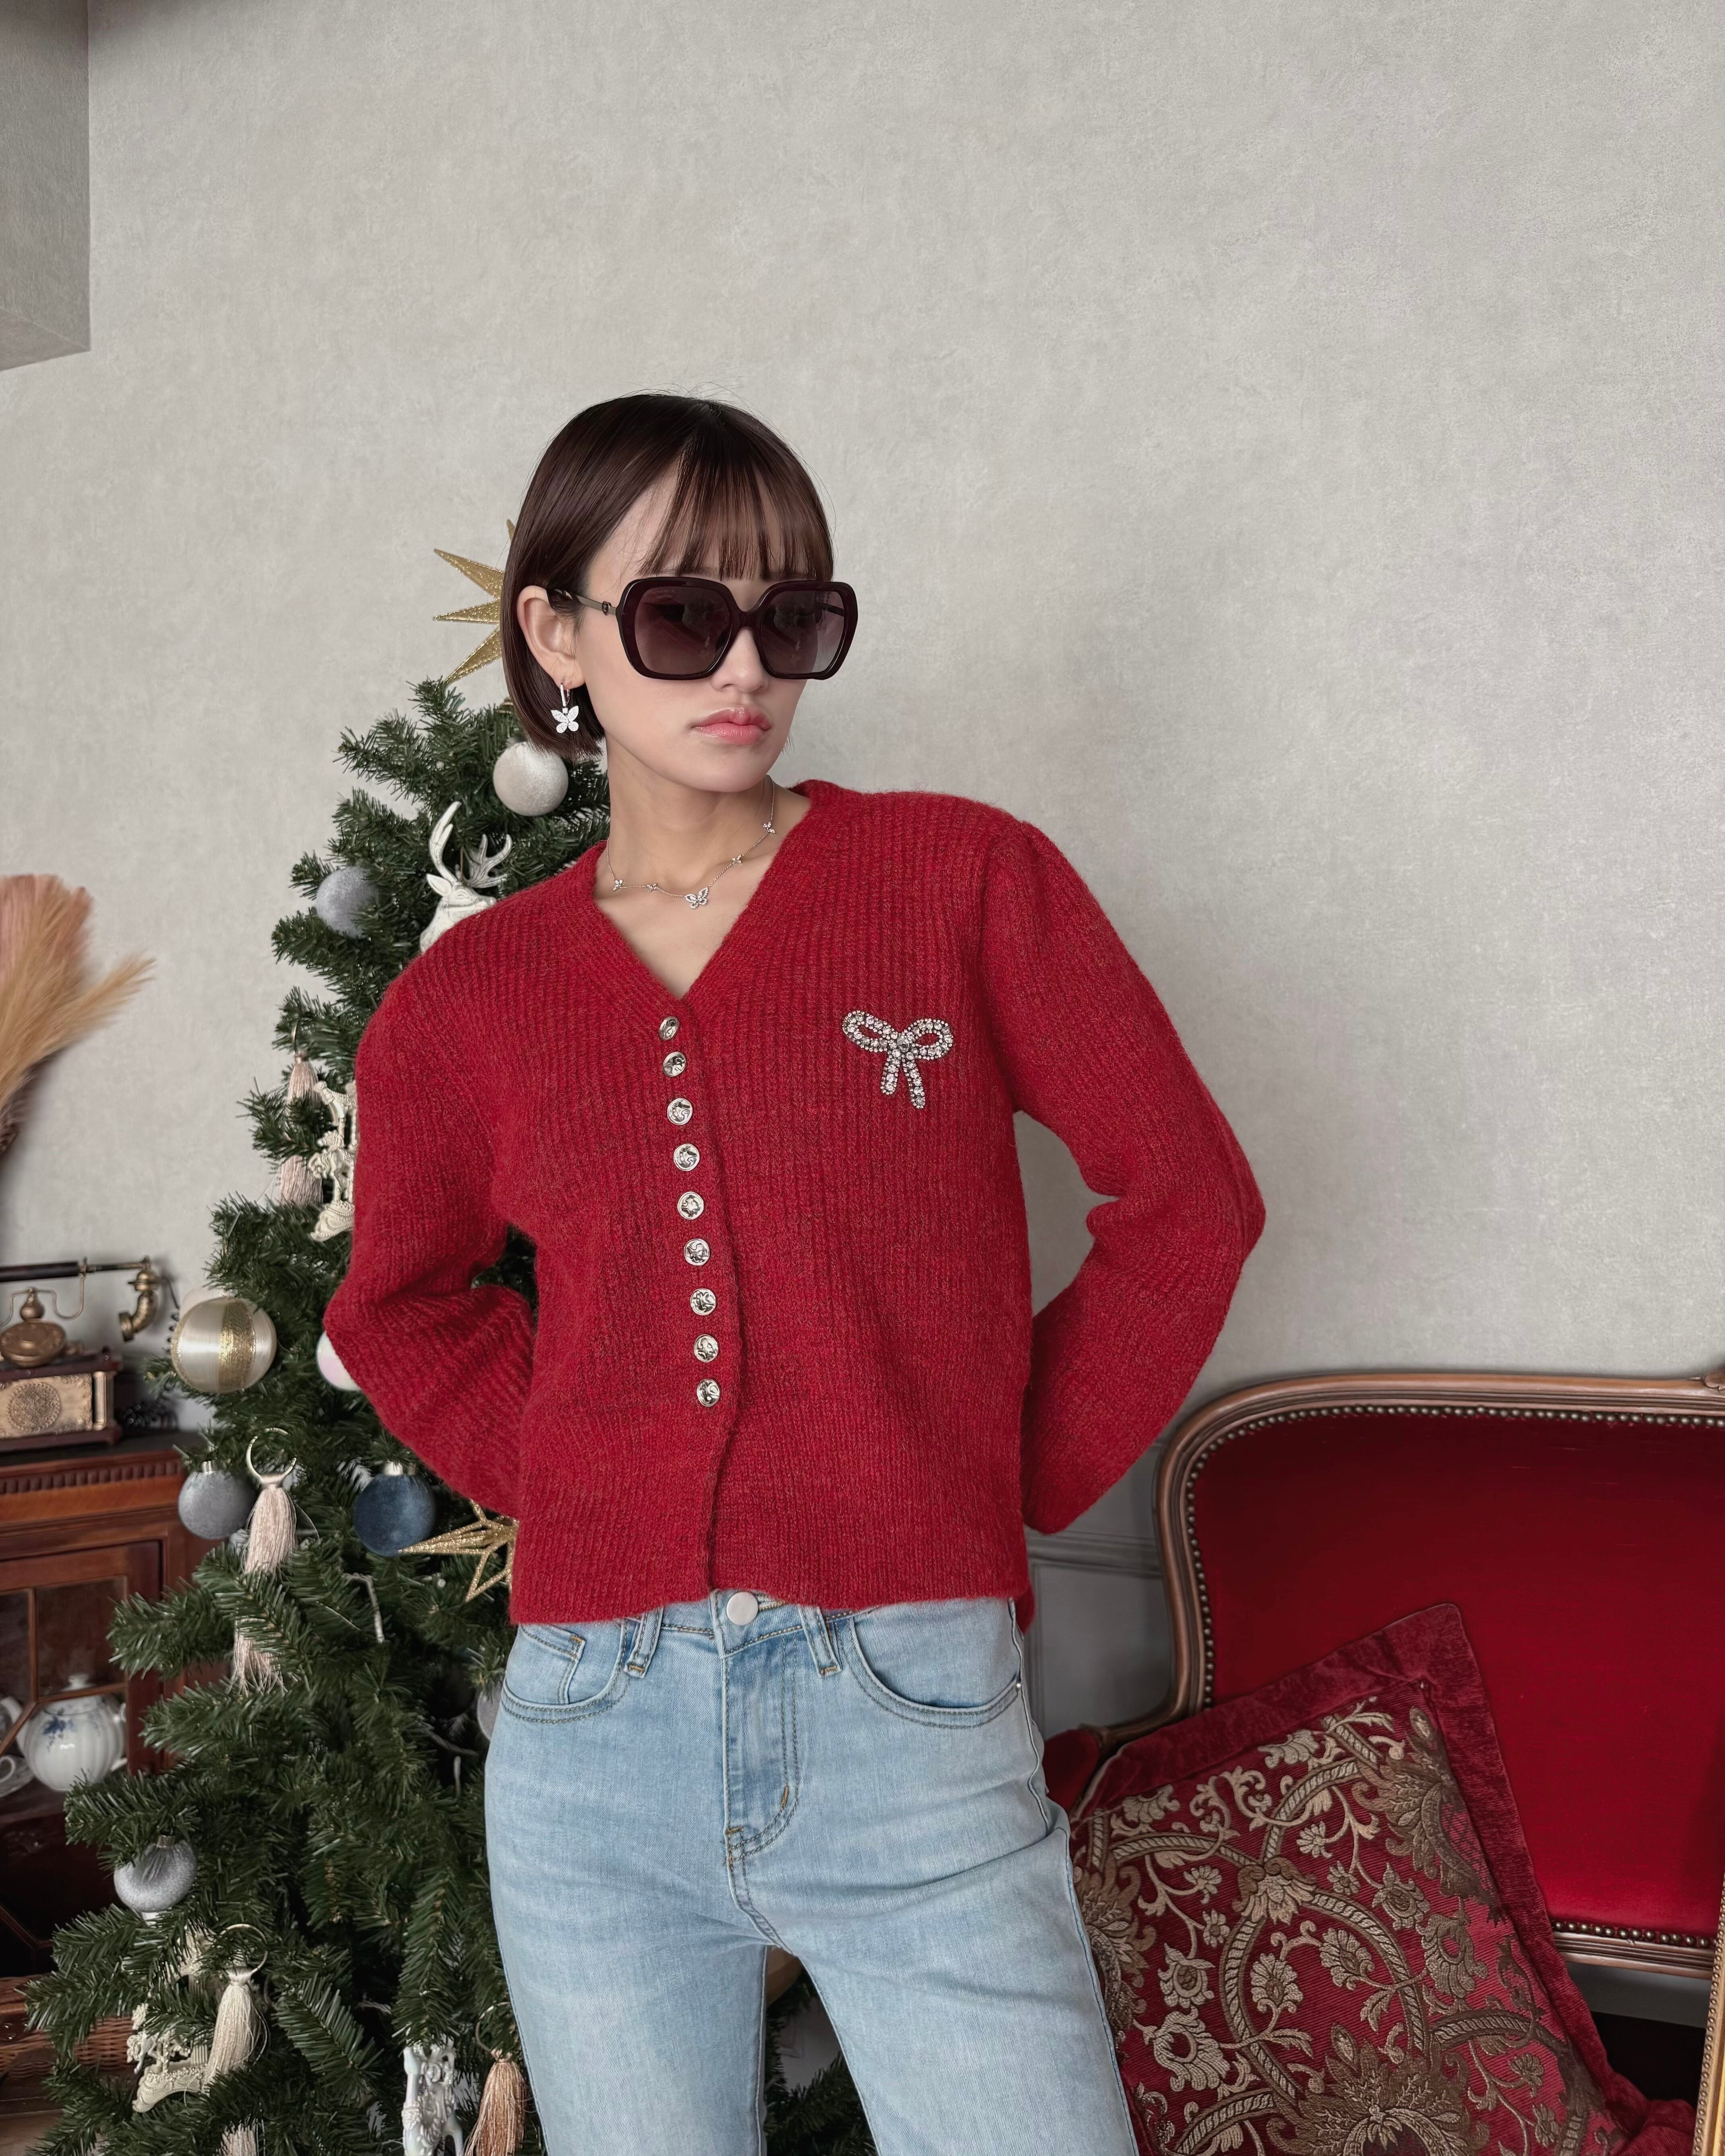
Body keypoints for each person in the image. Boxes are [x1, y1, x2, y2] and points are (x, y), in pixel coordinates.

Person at [322, 392, 1266, 2156]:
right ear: (556, 632)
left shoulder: (960, 880)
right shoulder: (469, 1001)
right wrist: (586, 1481)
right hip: (592, 1739)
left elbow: (1187, 1201)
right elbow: (403, 1303)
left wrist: (995, 1471)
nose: (747, 666)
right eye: (684, 616)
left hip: (914, 1706)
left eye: (795, 616)